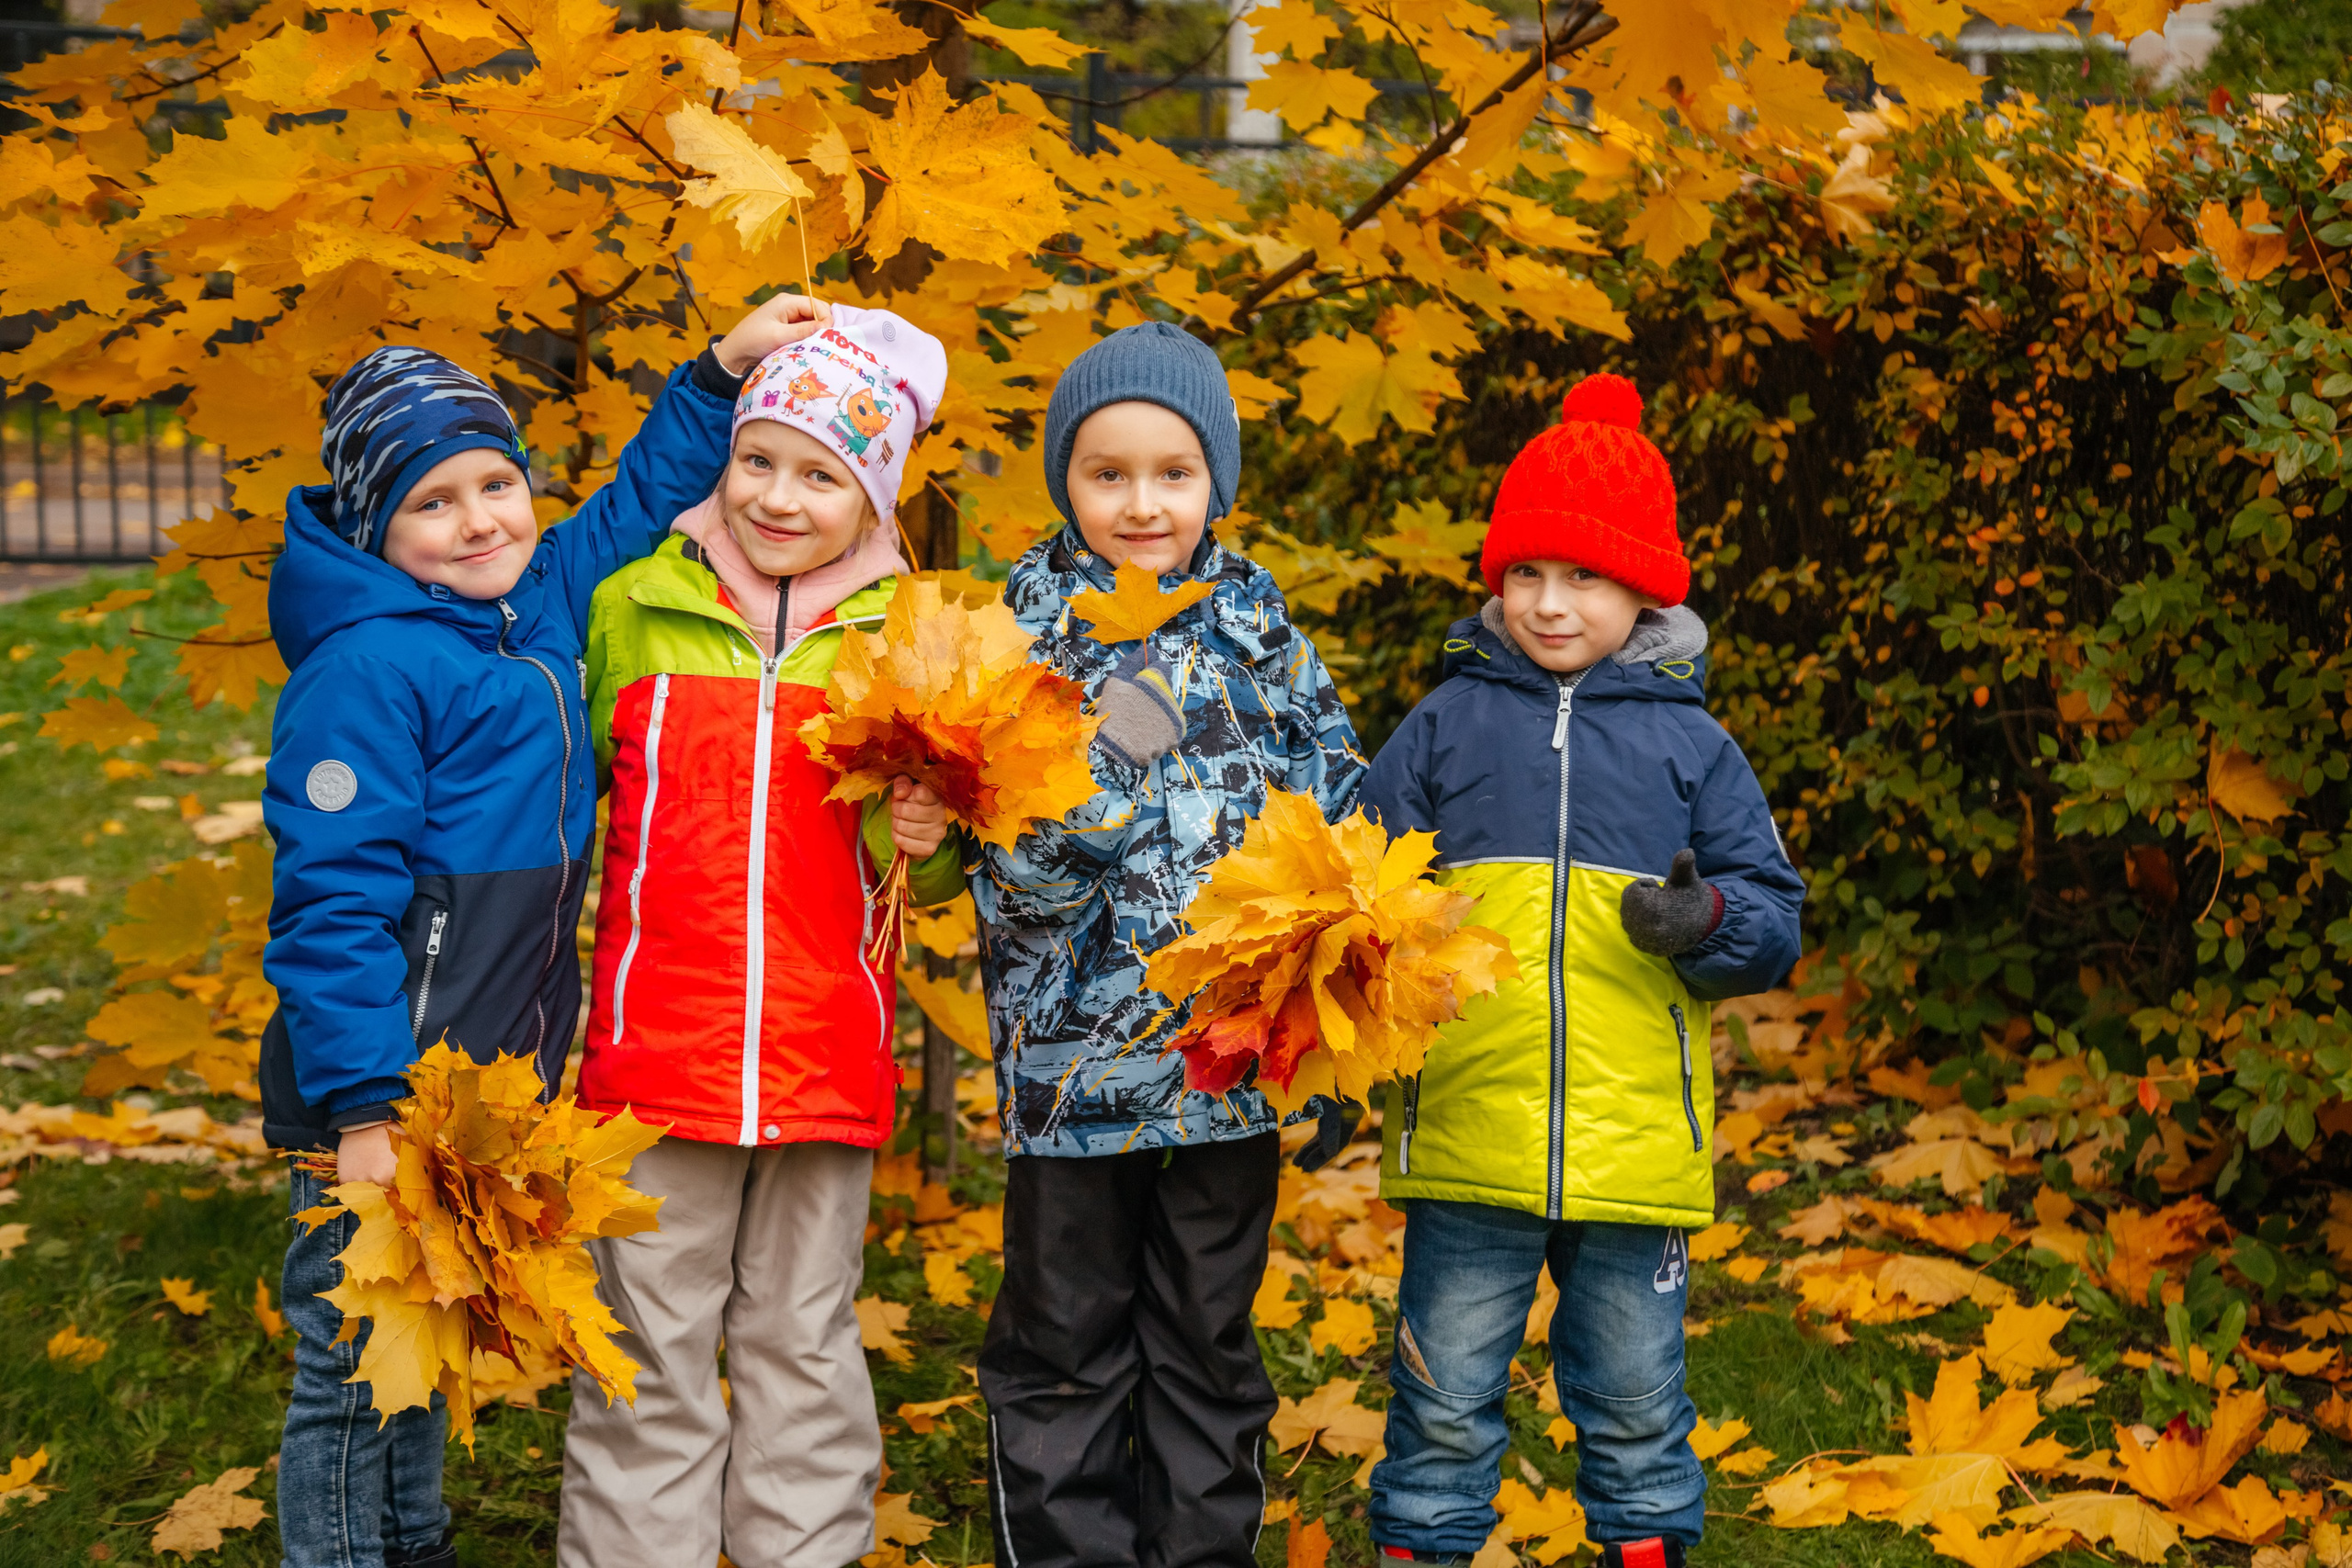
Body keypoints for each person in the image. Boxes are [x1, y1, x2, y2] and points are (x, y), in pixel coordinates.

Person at [257, 293, 827, 1568]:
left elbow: (638, 502)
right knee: (352, 1363)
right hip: (379, 1093)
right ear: (376, 529)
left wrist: (720, 372)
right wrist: (362, 1106)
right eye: (435, 503)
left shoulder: (534, 605)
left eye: (497, 485)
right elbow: (332, 906)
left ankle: (412, 1545)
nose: (480, 521)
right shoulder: (367, 669)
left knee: (422, 1343)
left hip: (479, 1084)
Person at [1358, 374, 1805, 1568]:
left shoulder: (1694, 748)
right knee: (1442, 1402)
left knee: (1636, 1402)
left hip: (1634, 1148)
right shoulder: (1444, 726)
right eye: (1527, 574)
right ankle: (1423, 1549)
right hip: (1467, 1137)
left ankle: (1643, 1549)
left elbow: (1772, 917)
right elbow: (1354, 888)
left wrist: (1705, 919)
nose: (1550, 605)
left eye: (1584, 577)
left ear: (1645, 589)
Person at [555, 303, 962, 1568]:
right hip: (654, 1060)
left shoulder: (912, 645)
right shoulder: (634, 608)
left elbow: (938, 869)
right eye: (759, 459)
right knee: (644, 1350)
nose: (780, 498)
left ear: (875, 494)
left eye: (822, 475)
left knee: (803, 1341)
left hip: (822, 1055)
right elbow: (566, 795)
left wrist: (932, 831)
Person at [971, 321, 1365, 1568]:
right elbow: (1015, 881)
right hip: (1074, 1084)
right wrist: (1111, 764)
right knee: (1065, 1349)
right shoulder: (1020, 641)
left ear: (1216, 483)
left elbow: (1339, 843)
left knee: (1207, 1342)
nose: (1142, 505)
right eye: (1108, 474)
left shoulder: (1264, 638)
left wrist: (1336, 1033)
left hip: (1226, 1075)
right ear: (1066, 482)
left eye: (1173, 473)